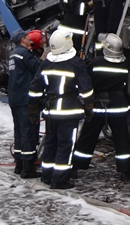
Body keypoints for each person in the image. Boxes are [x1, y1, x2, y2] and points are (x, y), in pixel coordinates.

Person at [29, 29, 94, 190]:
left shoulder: (46, 63)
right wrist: (88, 107)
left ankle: (47, 175)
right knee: (66, 145)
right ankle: (60, 180)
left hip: (51, 111)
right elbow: (86, 89)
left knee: (51, 143)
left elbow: (35, 87)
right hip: (68, 112)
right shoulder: (76, 63)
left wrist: (32, 107)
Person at [72, 33, 130, 181]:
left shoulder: (96, 63)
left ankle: (76, 167)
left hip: (98, 106)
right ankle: (125, 171)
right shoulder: (125, 64)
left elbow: (87, 82)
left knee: (87, 137)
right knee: (121, 140)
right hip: (118, 106)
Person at [8, 28, 46, 178]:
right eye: (25, 36)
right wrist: (45, 55)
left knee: (19, 132)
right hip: (25, 99)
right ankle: (28, 169)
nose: (28, 37)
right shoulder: (25, 54)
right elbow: (39, 68)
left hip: (15, 98)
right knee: (28, 133)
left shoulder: (13, 54)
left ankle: (19, 165)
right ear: (22, 40)